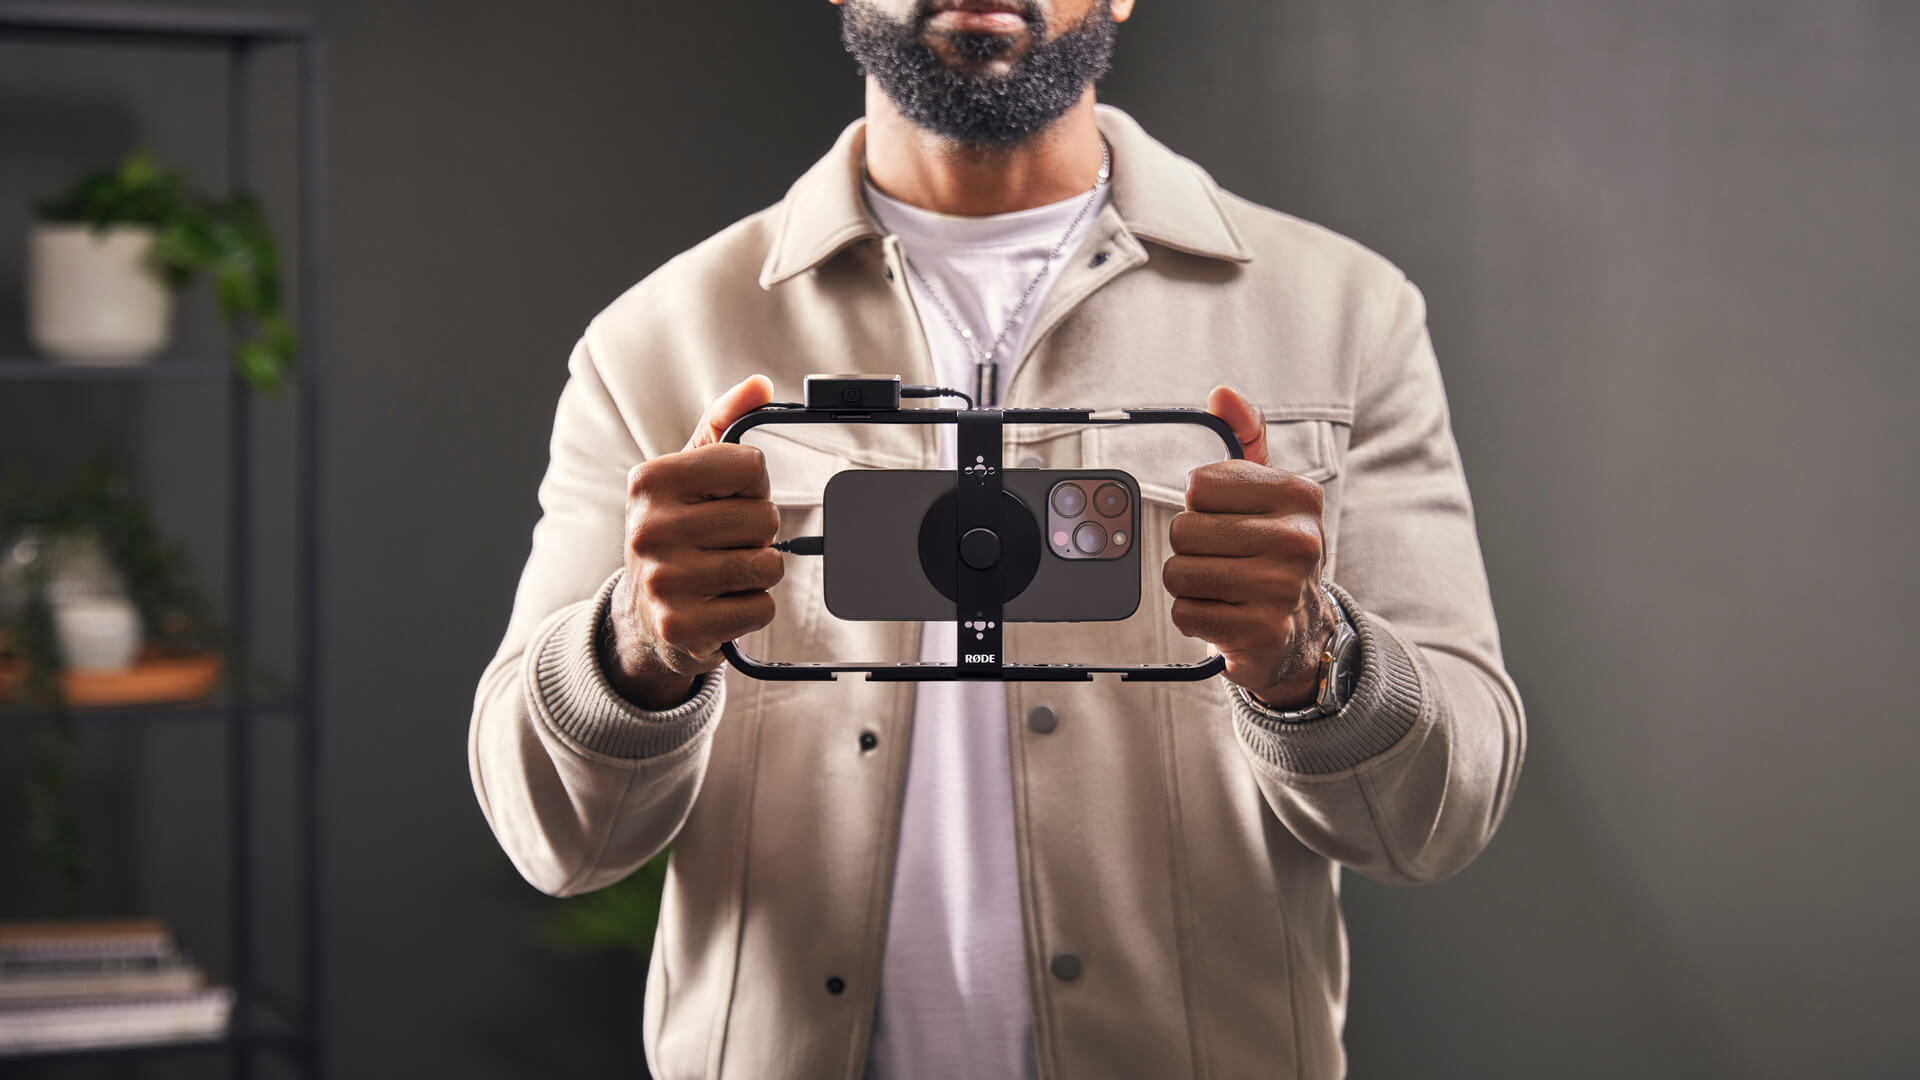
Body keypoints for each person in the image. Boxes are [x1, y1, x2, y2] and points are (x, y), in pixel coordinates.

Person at [468, 1, 1526, 1076]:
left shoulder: (1343, 315)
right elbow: (556, 839)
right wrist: (635, 651)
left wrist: (1314, 667)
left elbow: (1440, 816)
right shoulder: (656, 339)